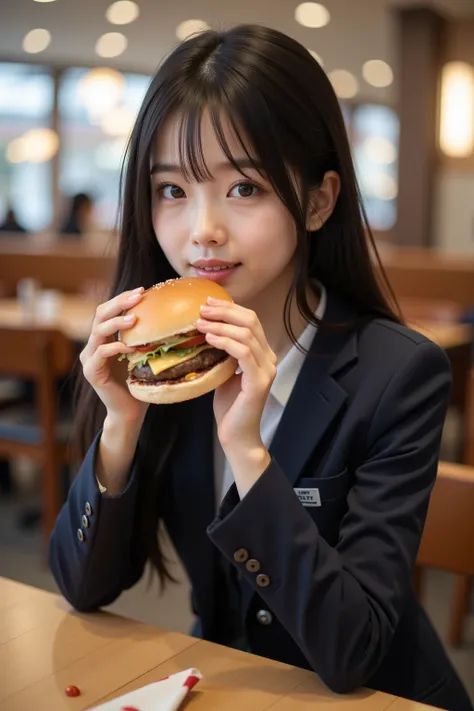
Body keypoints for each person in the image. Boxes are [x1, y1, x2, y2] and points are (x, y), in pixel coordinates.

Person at [49, 25, 473, 711]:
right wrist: (120, 426)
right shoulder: (166, 360)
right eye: (172, 190)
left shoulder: (399, 374)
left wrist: (248, 452)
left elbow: (351, 651)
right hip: (222, 686)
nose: (202, 230)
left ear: (317, 200)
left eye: (243, 187)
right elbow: (83, 587)